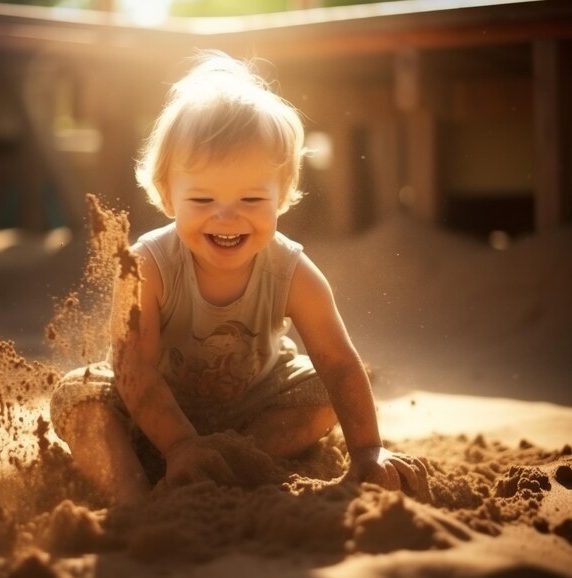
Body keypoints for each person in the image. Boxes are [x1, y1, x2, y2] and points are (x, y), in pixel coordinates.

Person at [50, 51, 428, 505]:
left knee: (322, 394)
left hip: (254, 405)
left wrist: (368, 449)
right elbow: (134, 369)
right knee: (79, 399)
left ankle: (238, 457)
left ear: (282, 195)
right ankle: (135, 498)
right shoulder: (147, 265)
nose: (227, 217)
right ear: (169, 195)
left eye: (251, 198)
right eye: (203, 198)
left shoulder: (291, 270)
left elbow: (339, 362)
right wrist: (180, 443)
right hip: (152, 406)